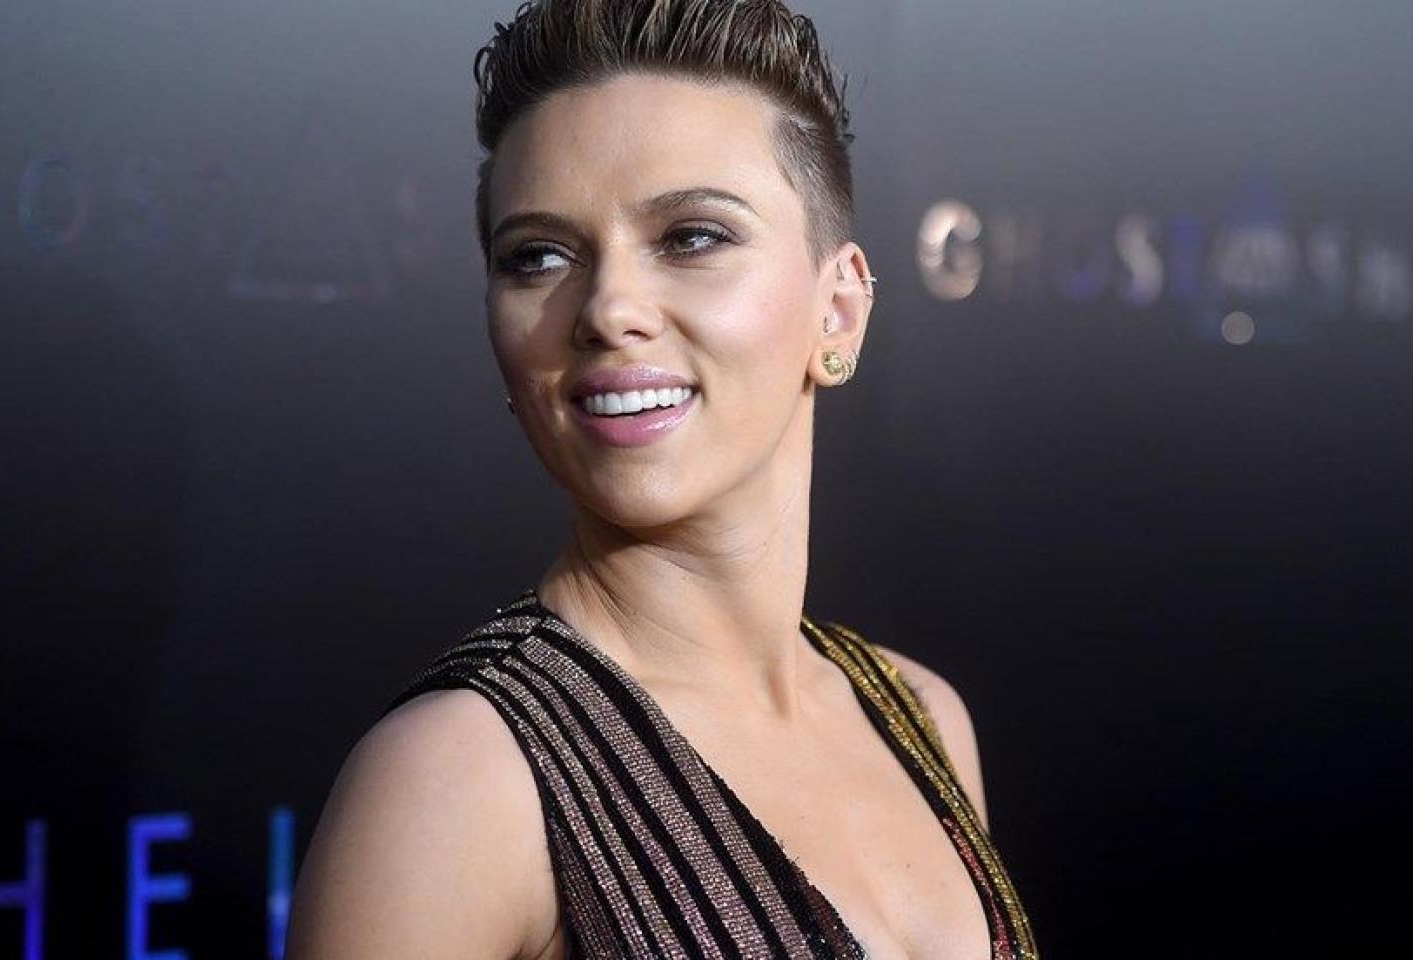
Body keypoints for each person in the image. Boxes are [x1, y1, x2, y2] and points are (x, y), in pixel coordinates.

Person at [286, 1, 1037, 957]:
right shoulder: (454, 782)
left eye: (691, 237)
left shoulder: (921, 716)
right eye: (538, 257)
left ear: (839, 310)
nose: (607, 308)